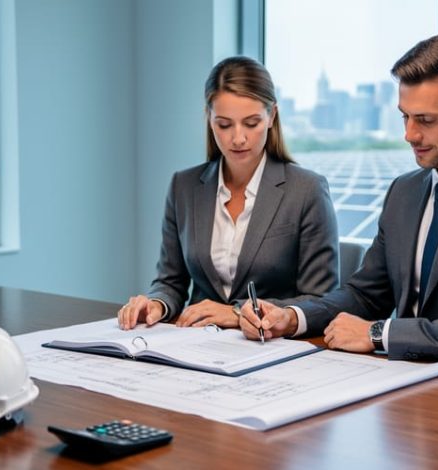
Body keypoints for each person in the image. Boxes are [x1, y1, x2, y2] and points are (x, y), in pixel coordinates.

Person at [240, 33, 438, 366]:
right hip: (406, 384)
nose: (409, 134)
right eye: (405, 116)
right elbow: (366, 295)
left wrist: (380, 334)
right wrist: (293, 317)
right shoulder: (404, 192)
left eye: (426, 120)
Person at [118, 56, 339, 330]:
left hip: (270, 349)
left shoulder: (307, 191)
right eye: (224, 124)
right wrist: (156, 304)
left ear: (272, 116)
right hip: (195, 345)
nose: (238, 138)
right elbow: (170, 282)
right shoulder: (183, 187)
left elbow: (321, 301)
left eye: (251, 123)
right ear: (209, 119)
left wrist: (236, 314)